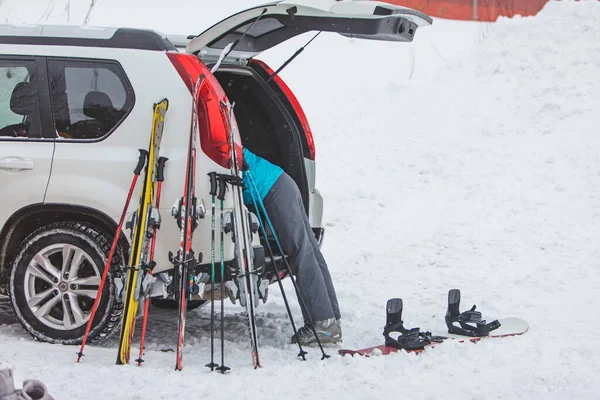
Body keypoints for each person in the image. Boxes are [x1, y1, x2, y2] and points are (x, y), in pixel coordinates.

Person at [241, 148, 342, 346]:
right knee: (310, 251)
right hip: (281, 182)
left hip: (272, 190)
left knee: (301, 254)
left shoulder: (221, 143)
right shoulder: (226, 134)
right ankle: (331, 319)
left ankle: (323, 325)